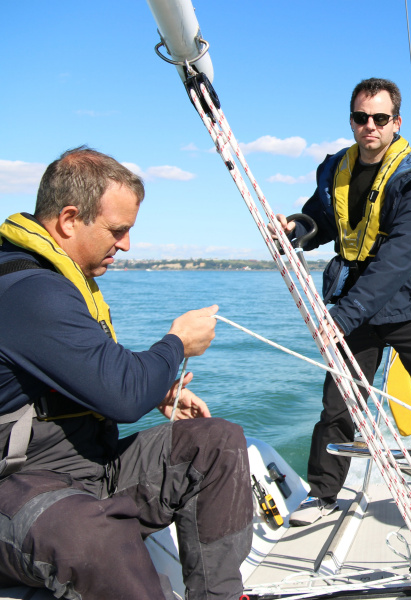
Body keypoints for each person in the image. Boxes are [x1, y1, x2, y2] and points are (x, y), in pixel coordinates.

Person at [0, 147, 253, 599]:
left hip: (89, 466)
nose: (127, 245)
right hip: (20, 484)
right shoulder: (29, 292)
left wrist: (160, 390)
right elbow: (122, 395)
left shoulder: (57, 282)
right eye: (118, 230)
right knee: (97, 539)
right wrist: (176, 344)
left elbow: (92, 370)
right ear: (70, 220)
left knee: (218, 442)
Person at [274, 77, 411, 533]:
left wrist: (341, 317)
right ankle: (322, 494)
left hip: (409, 302)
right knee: (338, 405)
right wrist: (298, 231)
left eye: (380, 118)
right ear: (352, 120)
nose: (369, 126)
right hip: (353, 303)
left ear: (396, 122)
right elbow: (322, 216)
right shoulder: (336, 167)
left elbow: (400, 255)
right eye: (361, 117)